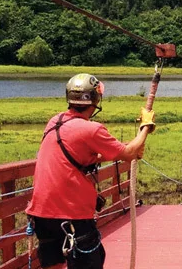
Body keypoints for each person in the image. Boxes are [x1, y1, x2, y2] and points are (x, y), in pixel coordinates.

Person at [25, 74, 155, 269]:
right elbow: (128, 153)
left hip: (42, 212)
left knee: (53, 263)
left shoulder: (55, 121)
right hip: (72, 213)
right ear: (95, 100)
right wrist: (146, 127)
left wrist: (125, 150)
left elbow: (81, 155)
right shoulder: (91, 129)